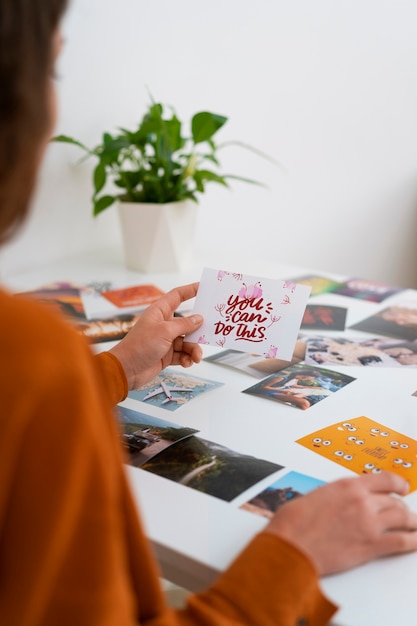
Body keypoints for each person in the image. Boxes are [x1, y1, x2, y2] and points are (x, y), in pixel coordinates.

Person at [1, 2, 417, 625]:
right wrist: (292, 555)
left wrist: (114, 370)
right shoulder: (28, 348)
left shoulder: (30, 358)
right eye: (53, 71)